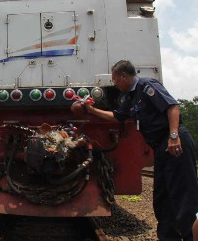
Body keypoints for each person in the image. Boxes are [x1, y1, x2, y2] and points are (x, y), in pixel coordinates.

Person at [84, 60, 198, 240]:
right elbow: (117, 116)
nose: (114, 83)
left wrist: (174, 136)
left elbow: (172, 107)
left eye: (115, 79)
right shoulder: (130, 97)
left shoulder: (147, 86)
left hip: (174, 143)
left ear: (124, 76)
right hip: (160, 148)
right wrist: (91, 110)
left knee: (182, 197)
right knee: (162, 199)